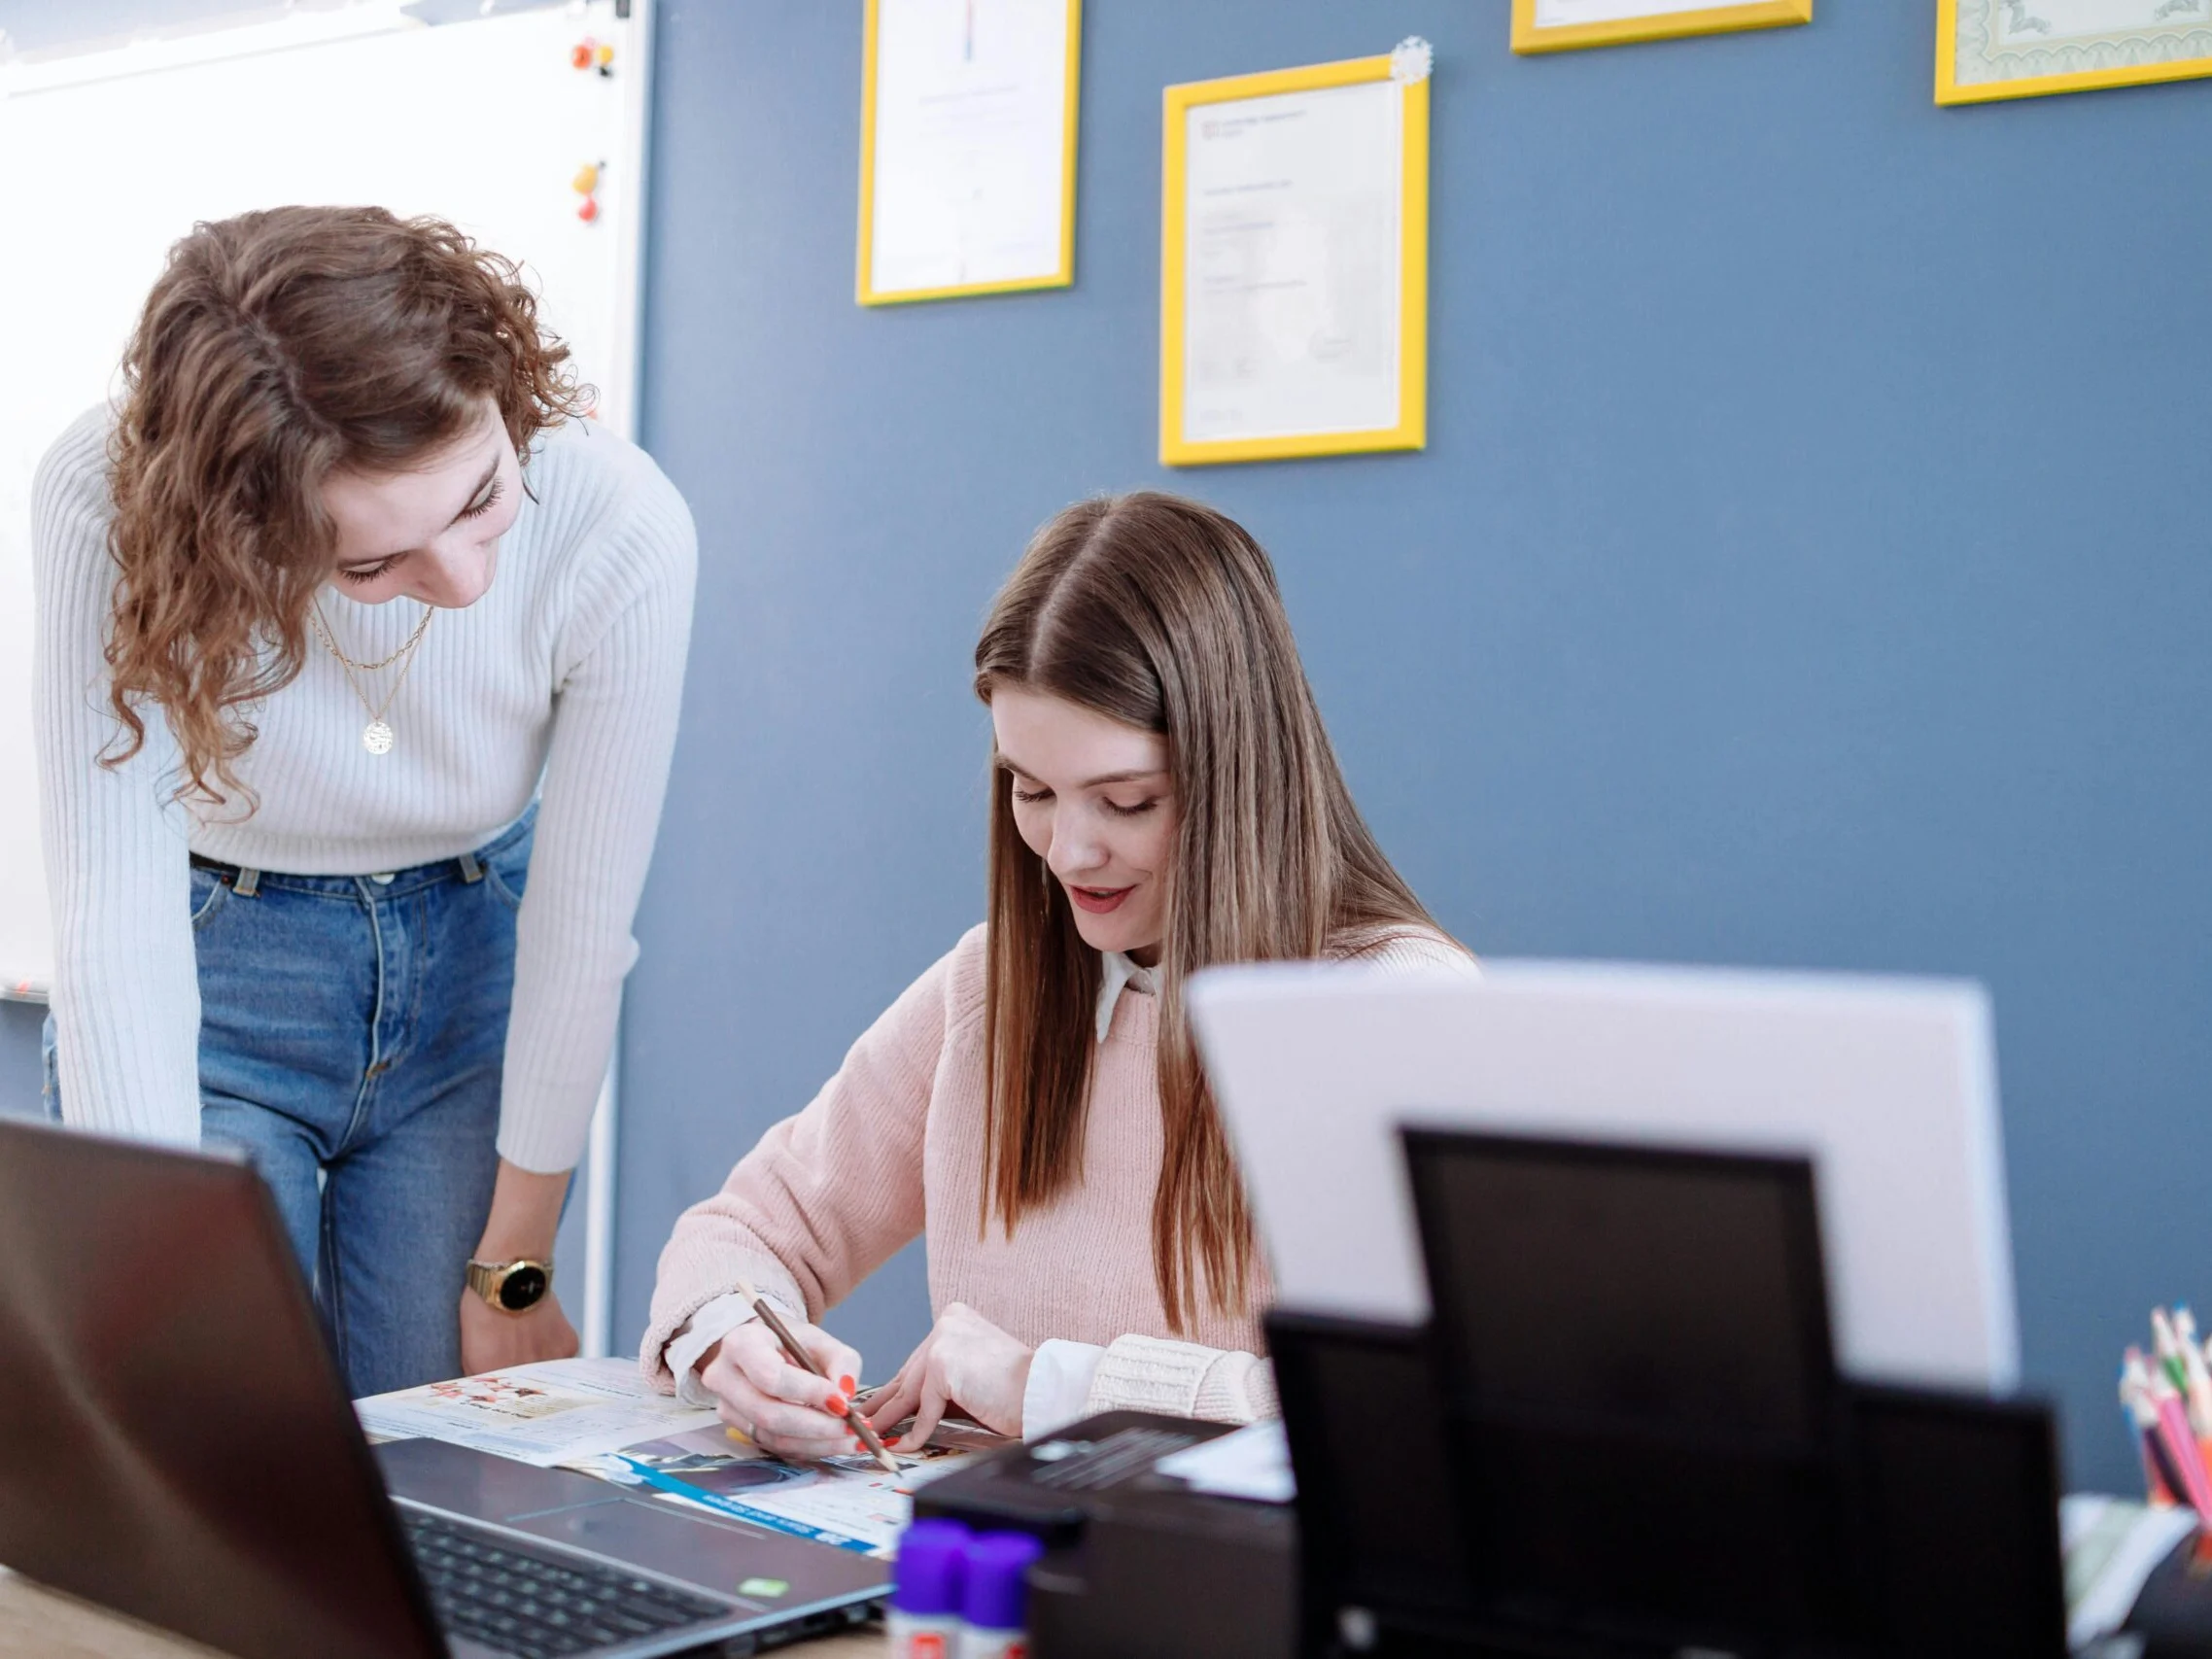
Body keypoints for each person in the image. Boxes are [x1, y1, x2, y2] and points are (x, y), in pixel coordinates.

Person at [643, 492, 1468, 1458]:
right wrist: (733, 1340)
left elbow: (1419, 1406)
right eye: (1030, 790)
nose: (1068, 852)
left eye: (1127, 801)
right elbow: (747, 1227)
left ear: (1238, 772)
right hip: (987, 1544)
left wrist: (1047, 1384)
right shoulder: (989, 988)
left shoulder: (1400, 1012)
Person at [33, 206, 697, 1395]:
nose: (465, 582)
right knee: (211, 1412)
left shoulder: (618, 520)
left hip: (473, 965)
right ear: (242, 536)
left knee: (446, 1429)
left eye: (480, 499)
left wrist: (516, 1272)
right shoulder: (110, 498)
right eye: (370, 564)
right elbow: (112, 922)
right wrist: (147, 1280)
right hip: (213, 975)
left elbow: (580, 932)